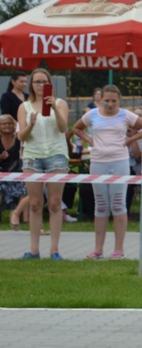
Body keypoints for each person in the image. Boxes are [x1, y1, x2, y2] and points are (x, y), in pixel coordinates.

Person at [73, 85, 142, 259]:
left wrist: (129, 141)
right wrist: (90, 140)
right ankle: (98, 249)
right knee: (101, 204)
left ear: (119, 100)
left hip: (119, 162)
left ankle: (119, 249)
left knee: (118, 203)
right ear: (100, 99)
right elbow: (77, 128)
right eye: (107, 101)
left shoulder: (126, 115)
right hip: (98, 162)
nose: (110, 104)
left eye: (114, 101)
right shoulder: (92, 114)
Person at [18, 68, 70, 260]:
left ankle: (54, 250)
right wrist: (31, 124)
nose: (40, 85)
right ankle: (34, 250)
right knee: (35, 203)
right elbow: (21, 136)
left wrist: (54, 108)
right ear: (31, 85)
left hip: (56, 155)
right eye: (37, 82)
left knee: (55, 203)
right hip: (32, 156)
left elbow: (63, 128)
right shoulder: (25, 106)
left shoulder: (60, 103)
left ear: (50, 84)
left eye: (44, 81)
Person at [0, 114, 29, 230]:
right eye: (4, 124)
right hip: (1, 175)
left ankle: (25, 219)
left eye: (9, 123)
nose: (7, 126)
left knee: (24, 189)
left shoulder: (19, 140)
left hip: (17, 174)